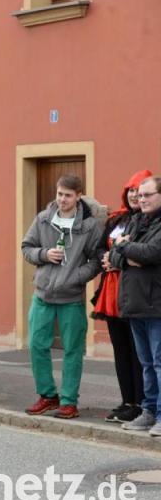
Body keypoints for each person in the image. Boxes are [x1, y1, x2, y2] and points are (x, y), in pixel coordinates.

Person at [21, 174, 104, 419]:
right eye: (59, 194)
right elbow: (26, 247)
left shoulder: (90, 226)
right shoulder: (44, 219)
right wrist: (45, 254)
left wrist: (77, 275)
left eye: (68, 195)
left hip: (71, 298)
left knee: (73, 351)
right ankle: (48, 396)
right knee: (37, 345)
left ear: (79, 196)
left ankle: (69, 401)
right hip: (43, 295)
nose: (62, 200)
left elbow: (97, 259)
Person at [93, 170, 151, 423]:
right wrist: (104, 260)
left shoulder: (147, 222)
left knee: (139, 352)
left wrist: (118, 260)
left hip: (133, 291)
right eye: (130, 190)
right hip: (111, 291)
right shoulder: (116, 220)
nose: (134, 195)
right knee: (121, 350)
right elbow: (98, 248)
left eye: (139, 191)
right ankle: (127, 400)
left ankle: (141, 402)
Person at [110, 175, 161, 436]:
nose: (141, 199)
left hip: (156, 304)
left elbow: (152, 252)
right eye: (139, 195)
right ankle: (148, 411)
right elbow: (114, 256)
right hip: (134, 303)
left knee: (159, 362)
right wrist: (129, 253)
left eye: (147, 195)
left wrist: (126, 249)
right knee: (146, 363)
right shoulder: (135, 220)